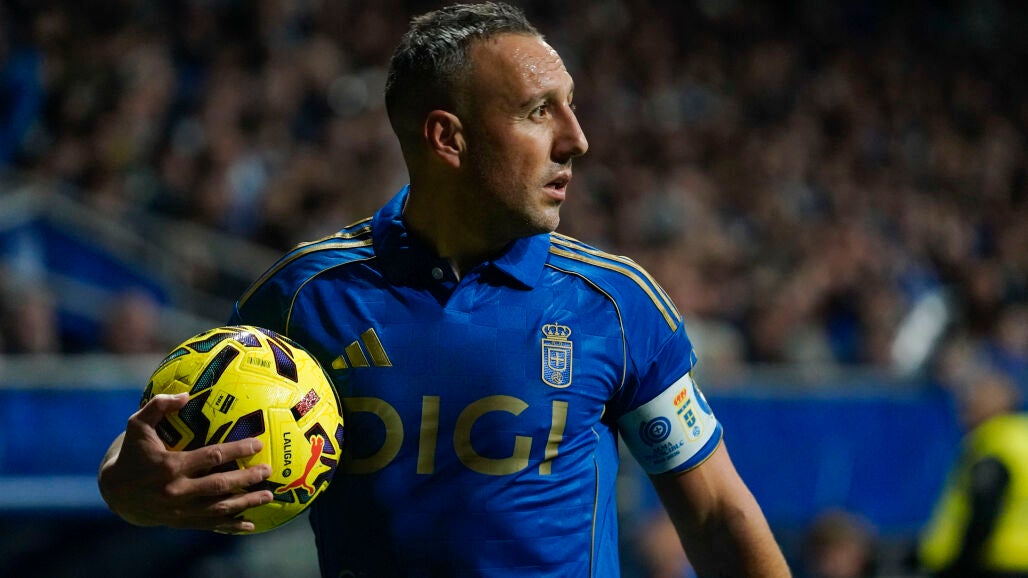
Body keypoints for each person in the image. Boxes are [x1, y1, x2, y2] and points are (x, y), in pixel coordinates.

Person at [98, 3, 791, 576]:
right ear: (447, 138)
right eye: (538, 112)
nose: (577, 139)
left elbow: (717, 515)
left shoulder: (614, 303)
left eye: (571, 107)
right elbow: (159, 439)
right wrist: (128, 486)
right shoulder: (307, 295)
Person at [919, 371, 1028, 577]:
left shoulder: (996, 442)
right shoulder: (1022, 436)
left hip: (998, 564)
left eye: (975, 398)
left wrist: (961, 566)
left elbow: (984, 510)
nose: (966, 406)